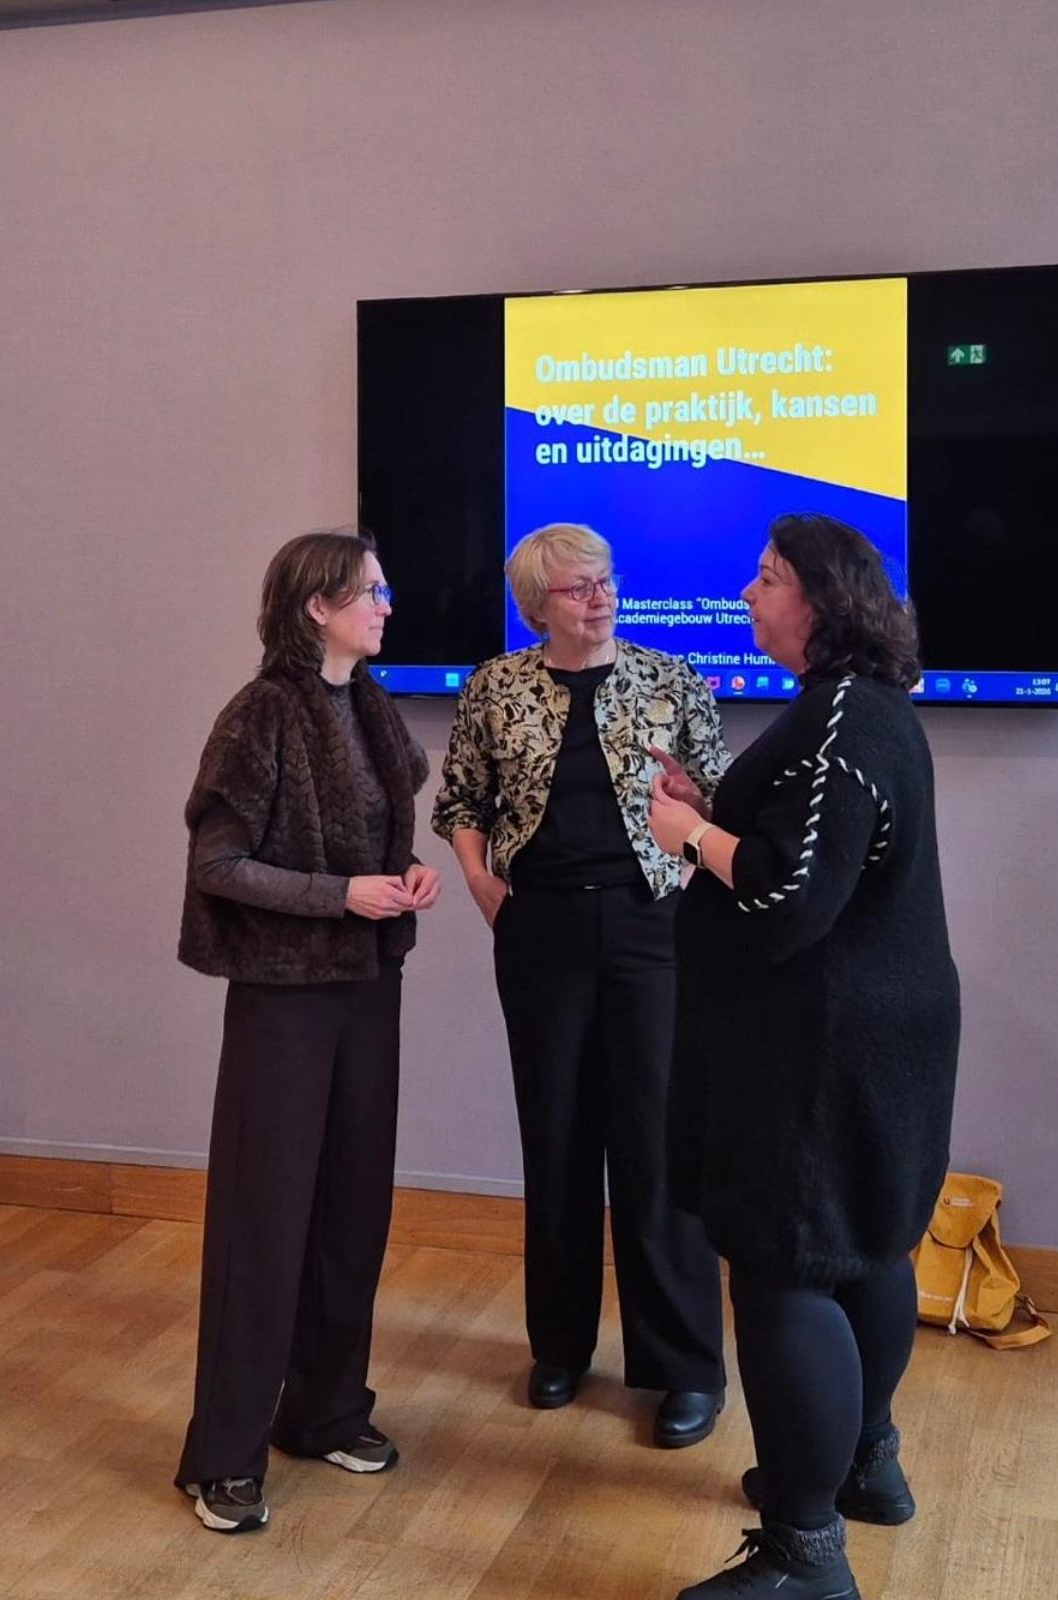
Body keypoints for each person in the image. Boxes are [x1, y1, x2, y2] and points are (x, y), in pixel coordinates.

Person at [650, 514, 960, 1600]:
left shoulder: (836, 720)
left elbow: (785, 898)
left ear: (823, 603)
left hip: (816, 1049)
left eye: (767, 577)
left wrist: (689, 837)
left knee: (784, 1270)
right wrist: (712, 810)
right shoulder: (867, 710)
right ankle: (862, 1463)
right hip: (876, 1036)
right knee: (865, 1251)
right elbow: (809, 853)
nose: (746, 592)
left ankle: (803, 1554)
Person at [432, 522, 728, 1448]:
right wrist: (478, 881)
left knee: (656, 1143)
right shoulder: (494, 686)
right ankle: (558, 1347)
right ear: (536, 606)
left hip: (651, 928)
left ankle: (682, 1367)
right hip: (541, 930)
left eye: (605, 581)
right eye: (577, 588)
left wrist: (691, 831)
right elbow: (461, 801)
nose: (600, 598)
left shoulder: (671, 678)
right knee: (556, 1137)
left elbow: (718, 797)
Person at [174, 528, 439, 1533]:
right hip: (284, 994)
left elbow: (375, 841)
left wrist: (403, 880)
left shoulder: (368, 705)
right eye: (370, 591)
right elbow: (218, 864)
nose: (386, 605)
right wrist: (341, 895)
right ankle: (224, 1456)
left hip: (368, 984)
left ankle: (324, 1411)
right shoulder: (259, 715)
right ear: (316, 607)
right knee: (265, 1219)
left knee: (352, 1208)